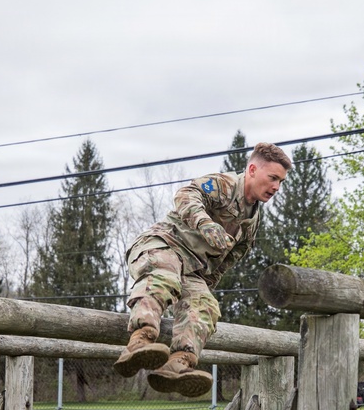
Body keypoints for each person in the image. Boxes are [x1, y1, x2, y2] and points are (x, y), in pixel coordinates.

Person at [113, 142, 292, 396]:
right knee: (164, 275)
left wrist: (199, 293)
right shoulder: (224, 185)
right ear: (252, 169)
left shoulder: (252, 222)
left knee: (205, 304)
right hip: (163, 244)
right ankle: (139, 340)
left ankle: (178, 365)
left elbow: (228, 259)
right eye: (273, 178)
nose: (276, 187)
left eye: (281, 181)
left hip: (191, 270)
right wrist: (205, 224)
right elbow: (185, 195)